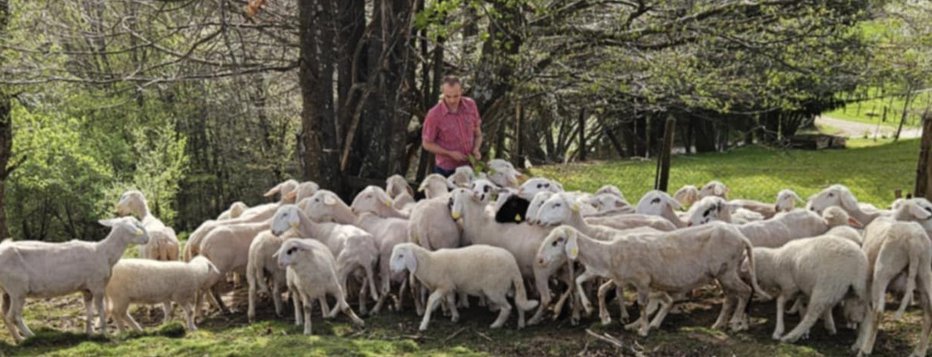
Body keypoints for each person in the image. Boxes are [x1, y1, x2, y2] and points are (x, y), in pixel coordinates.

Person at [422, 75, 483, 177]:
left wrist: (476, 149)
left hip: (469, 167)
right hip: (446, 170)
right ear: (443, 93)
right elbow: (426, 143)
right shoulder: (434, 114)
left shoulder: (471, 105)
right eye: (448, 96)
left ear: (461, 91)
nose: (452, 100)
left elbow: (478, 134)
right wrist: (449, 153)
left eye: (456, 96)